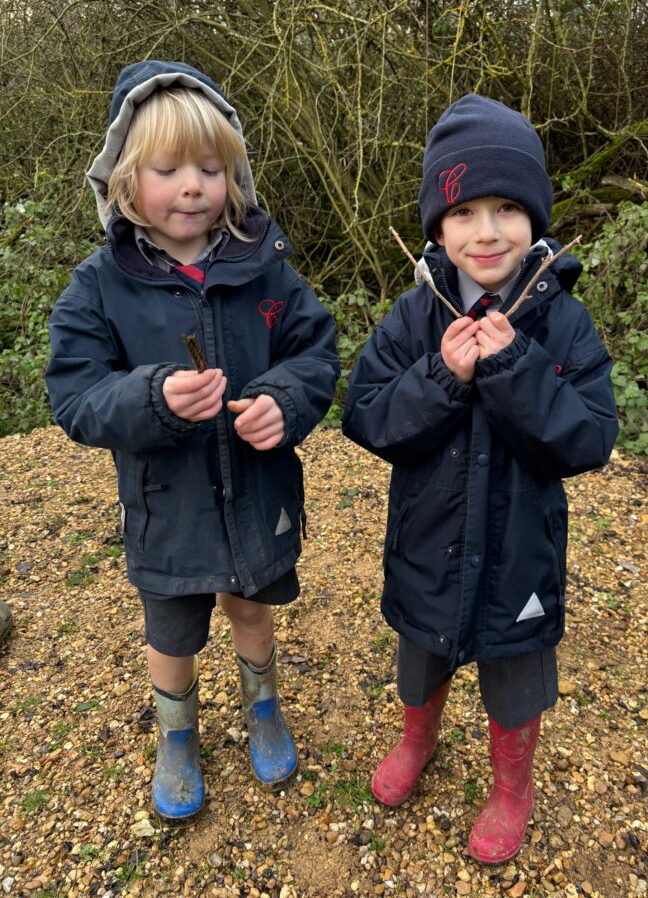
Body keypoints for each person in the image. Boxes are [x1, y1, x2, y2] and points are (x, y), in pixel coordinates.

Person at [46, 61, 339, 822]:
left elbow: (315, 353)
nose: (191, 187)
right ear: (122, 181)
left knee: (251, 607)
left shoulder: (266, 266)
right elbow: (74, 396)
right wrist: (153, 398)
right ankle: (177, 736)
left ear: (233, 175)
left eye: (210, 168)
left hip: (258, 496)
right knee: (171, 632)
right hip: (163, 509)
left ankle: (263, 707)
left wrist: (284, 399)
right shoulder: (98, 285)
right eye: (168, 169)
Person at [342, 95, 618, 864]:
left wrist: (514, 369)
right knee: (420, 653)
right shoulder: (412, 318)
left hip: (520, 552)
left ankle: (511, 789)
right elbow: (363, 415)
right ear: (436, 226)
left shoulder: (561, 321)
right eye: (463, 212)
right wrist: (444, 374)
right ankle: (416, 742)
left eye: (506, 208)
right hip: (427, 542)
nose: (487, 232)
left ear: (535, 217)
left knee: (515, 674)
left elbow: (592, 436)